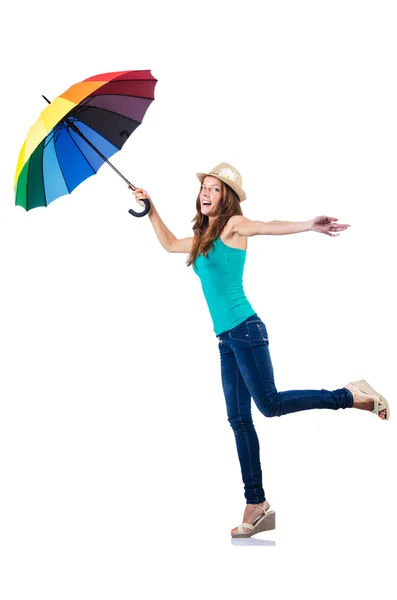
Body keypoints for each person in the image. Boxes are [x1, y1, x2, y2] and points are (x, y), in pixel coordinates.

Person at [130, 162, 390, 538]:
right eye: (204, 186)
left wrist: (307, 224)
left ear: (227, 198)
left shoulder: (234, 226)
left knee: (269, 405)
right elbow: (170, 244)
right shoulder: (204, 239)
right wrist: (151, 207)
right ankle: (257, 504)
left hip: (246, 331)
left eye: (215, 189)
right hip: (227, 340)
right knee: (238, 420)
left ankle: (349, 395)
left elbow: (268, 226)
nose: (206, 192)